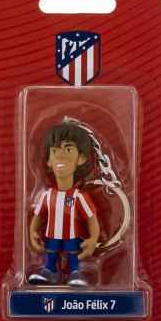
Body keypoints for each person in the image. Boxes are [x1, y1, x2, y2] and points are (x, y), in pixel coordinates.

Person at [28, 123, 100, 287]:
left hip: (72, 235)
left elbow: (92, 219)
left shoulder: (79, 196)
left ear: (81, 158)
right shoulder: (47, 195)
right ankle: (49, 271)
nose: (60, 155)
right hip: (51, 235)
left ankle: (75, 272)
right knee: (51, 252)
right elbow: (38, 217)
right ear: (49, 160)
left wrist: (93, 239)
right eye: (54, 151)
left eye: (68, 150)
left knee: (73, 254)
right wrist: (32, 232)